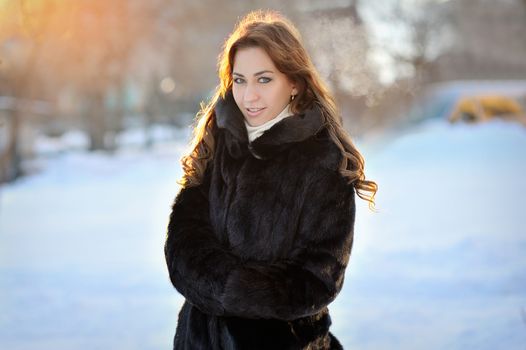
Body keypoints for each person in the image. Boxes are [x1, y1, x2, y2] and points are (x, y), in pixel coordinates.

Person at [164, 9, 377, 350]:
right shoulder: (218, 141)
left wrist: (233, 290)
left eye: (264, 79)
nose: (249, 96)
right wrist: (223, 288)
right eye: (240, 79)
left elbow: (318, 278)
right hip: (199, 340)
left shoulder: (323, 160)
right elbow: (182, 243)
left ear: (294, 83)